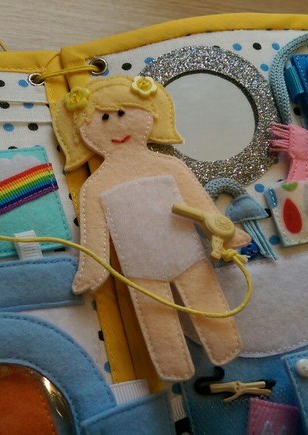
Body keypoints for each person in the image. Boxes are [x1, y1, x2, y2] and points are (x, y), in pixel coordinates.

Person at [53, 75, 249, 380]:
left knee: (206, 301)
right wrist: (92, 270)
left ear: (147, 113)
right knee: (157, 321)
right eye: (103, 118)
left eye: (122, 113)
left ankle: (224, 347)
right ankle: (174, 368)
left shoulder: (170, 166)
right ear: (84, 129)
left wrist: (226, 233)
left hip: (189, 257)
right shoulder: (95, 187)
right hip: (140, 270)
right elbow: (96, 238)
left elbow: (200, 204)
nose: (116, 125)